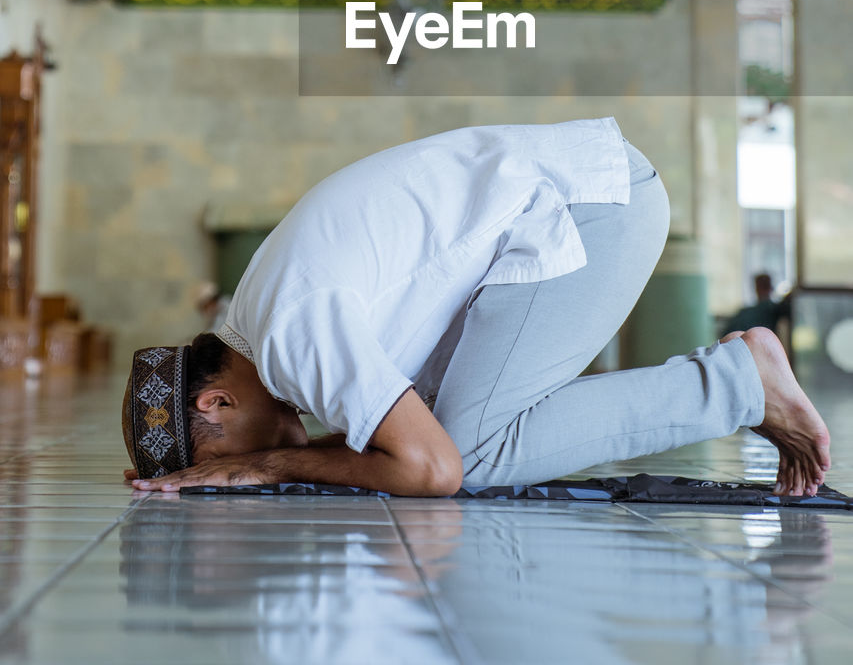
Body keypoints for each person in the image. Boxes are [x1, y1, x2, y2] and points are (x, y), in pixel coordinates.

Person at [122, 117, 831, 499]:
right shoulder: (265, 320)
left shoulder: (290, 330)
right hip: (587, 195)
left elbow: (434, 468)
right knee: (458, 437)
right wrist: (276, 461)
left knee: (476, 453)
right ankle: (738, 379)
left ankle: (738, 383)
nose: (233, 469)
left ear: (215, 404)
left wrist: (273, 468)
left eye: (217, 462)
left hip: (587, 211)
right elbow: (399, 446)